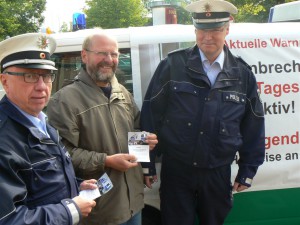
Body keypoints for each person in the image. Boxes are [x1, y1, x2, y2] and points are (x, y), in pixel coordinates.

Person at [140, 1, 266, 225]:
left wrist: (248, 170)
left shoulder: (242, 74)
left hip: (218, 172)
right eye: (202, 30)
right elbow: (149, 116)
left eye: (216, 29)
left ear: (227, 29)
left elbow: (254, 125)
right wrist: (146, 164)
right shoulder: (172, 65)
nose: (208, 36)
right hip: (176, 172)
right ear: (195, 30)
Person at [46, 30, 158, 225]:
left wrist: (145, 141)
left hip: (134, 203)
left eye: (114, 54)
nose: (109, 59)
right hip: (98, 211)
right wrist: (106, 160)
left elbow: (135, 131)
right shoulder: (64, 100)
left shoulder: (122, 92)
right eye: (102, 53)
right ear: (84, 55)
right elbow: (61, 155)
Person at [0, 33, 97, 225]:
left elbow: (40, 183)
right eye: (30, 76)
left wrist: (76, 185)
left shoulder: (41, 120)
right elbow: (9, 219)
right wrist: (70, 211)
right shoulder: (4, 138)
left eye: (46, 76)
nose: (42, 87)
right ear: (4, 81)